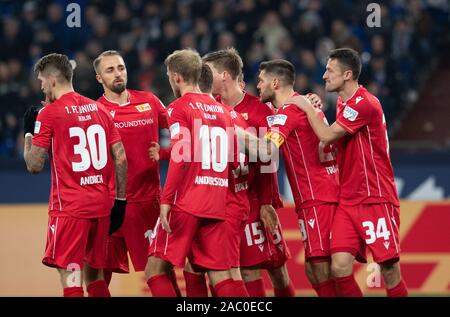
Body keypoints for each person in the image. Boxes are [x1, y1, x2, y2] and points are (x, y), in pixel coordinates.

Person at [286, 48, 408, 297]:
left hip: (375, 197)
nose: (324, 76)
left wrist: (305, 106)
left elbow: (327, 135)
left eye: (330, 70)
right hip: (348, 199)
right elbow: (329, 138)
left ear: (348, 75)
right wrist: (315, 105)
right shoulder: (343, 103)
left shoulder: (365, 103)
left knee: (388, 269)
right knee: (339, 267)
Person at [144, 49, 248, 297]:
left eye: (169, 76)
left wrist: (167, 200)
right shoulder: (224, 111)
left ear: (177, 77)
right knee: (221, 276)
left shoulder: (177, 108)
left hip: (186, 202)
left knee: (155, 271)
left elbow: (182, 155)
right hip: (215, 201)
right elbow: (233, 159)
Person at [22, 53, 127, 297]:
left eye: (41, 81)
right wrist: (120, 201)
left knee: (71, 277)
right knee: (95, 276)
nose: (41, 86)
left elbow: (34, 165)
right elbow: (120, 158)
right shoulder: (100, 109)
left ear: (52, 80)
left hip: (70, 209)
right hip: (102, 208)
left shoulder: (49, 114)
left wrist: (29, 133)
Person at [202, 48, 294, 297]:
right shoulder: (211, 109)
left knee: (277, 268)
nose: (202, 77)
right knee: (246, 269)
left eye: (207, 72)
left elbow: (268, 160)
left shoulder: (258, 110)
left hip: (256, 197)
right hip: (228, 201)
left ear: (224, 75)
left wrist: (266, 202)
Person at [93, 50, 179, 294]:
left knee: (161, 272)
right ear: (99, 78)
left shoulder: (149, 101)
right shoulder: (95, 111)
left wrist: (164, 153)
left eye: (120, 68)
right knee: (99, 273)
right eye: (110, 70)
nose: (118, 74)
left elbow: (181, 128)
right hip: (109, 205)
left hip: (146, 203)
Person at [254, 59, 339, 297]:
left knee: (322, 270)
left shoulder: (289, 112)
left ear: (275, 82)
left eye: (261, 81)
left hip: (316, 198)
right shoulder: (304, 104)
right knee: (316, 270)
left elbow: (267, 150)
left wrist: (237, 134)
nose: (258, 86)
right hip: (322, 193)